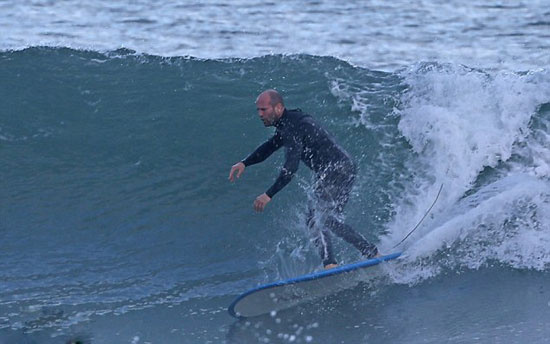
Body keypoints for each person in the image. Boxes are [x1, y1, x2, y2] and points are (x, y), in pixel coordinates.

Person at [228, 89, 378, 269]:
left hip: (336, 170)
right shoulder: (290, 122)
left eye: (264, 109)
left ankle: (330, 264)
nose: (260, 114)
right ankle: (372, 252)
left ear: (278, 107)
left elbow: (290, 167)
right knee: (329, 220)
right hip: (345, 167)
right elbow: (269, 147)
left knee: (315, 218)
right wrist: (245, 163)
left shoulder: (291, 127)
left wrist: (269, 194)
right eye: (258, 110)